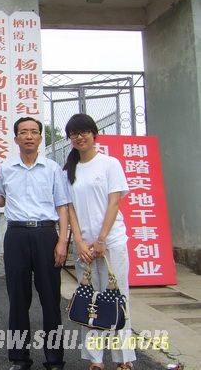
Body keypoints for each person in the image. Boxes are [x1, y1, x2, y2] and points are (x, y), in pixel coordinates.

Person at [0, 117, 69, 370]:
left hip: (46, 235)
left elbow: (62, 206)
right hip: (16, 236)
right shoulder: (6, 168)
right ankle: (19, 358)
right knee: (18, 299)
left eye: (34, 132)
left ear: (41, 137)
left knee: (50, 299)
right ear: (16, 138)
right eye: (24, 132)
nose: (29, 136)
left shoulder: (53, 169)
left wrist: (62, 240)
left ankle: (54, 359)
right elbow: (2, 198)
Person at [63, 113, 136, 370]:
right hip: (84, 247)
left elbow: (114, 203)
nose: (79, 137)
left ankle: (124, 359)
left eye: (84, 131)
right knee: (89, 300)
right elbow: (70, 209)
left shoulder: (109, 164)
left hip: (111, 242)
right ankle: (95, 360)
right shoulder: (68, 170)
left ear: (95, 135)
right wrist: (80, 243)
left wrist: (102, 239)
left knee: (117, 298)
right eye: (74, 133)